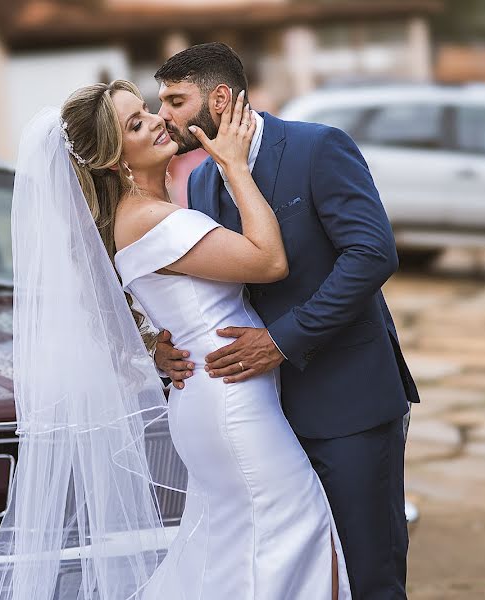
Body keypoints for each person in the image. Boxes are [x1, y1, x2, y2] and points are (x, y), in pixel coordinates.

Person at [0, 78, 350, 600]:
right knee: (292, 534)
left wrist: (157, 345)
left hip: (209, 394)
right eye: (136, 124)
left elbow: (143, 304)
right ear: (113, 160)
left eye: (148, 111)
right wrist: (236, 166)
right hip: (231, 403)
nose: (157, 120)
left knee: (235, 551)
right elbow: (269, 261)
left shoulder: (134, 218)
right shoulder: (153, 220)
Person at [153, 42, 420, 599]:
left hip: (349, 403)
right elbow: (216, 287)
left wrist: (282, 340)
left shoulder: (316, 148)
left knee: (368, 574)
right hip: (261, 418)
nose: (164, 116)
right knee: (306, 578)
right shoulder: (202, 183)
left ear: (220, 98)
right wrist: (165, 340)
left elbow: (372, 255)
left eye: (175, 100)